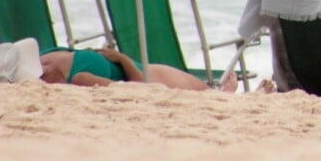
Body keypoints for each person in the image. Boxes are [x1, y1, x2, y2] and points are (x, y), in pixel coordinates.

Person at [38, 47, 237, 92]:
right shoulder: (80, 78)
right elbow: (141, 87)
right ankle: (223, 94)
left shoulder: (47, 59)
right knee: (206, 93)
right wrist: (122, 58)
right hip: (143, 74)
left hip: (137, 68)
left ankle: (221, 93)